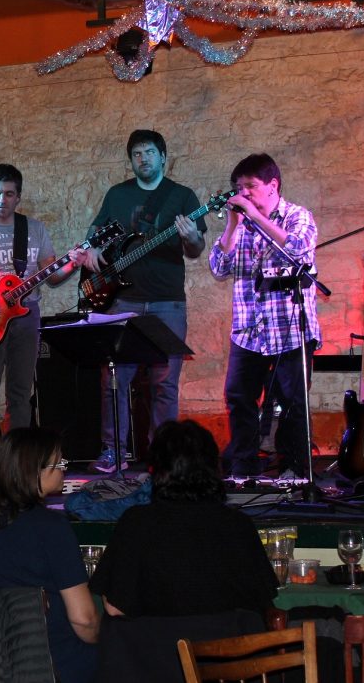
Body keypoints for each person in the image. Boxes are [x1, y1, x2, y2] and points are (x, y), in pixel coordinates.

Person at [0, 163, 90, 454]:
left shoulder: (34, 229)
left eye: (9, 194)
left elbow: (53, 276)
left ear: (18, 197)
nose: (2, 200)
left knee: (21, 394)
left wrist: (73, 263)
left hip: (26, 316)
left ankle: (16, 462)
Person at [84, 130, 207, 473]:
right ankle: (114, 451)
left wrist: (192, 237)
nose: (143, 159)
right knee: (114, 380)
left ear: (163, 156)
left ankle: (164, 456)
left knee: (164, 382)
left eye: (150, 152)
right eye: (137, 154)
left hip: (168, 302)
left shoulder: (182, 196)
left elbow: (195, 250)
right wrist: (91, 248)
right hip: (122, 300)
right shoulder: (118, 195)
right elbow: (95, 234)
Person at [90, 419, 277, 617]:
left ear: (156, 470)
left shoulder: (136, 522)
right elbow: (263, 601)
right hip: (229, 637)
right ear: (215, 467)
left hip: (158, 637)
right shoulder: (239, 525)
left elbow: (115, 608)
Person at [209, 153, 321, 478]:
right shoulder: (241, 225)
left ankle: (296, 470)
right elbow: (218, 267)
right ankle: (242, 469)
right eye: (238, 188)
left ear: (273, 185)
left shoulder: (297, 216)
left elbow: (299, 247)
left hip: (290, 330)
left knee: (293, 402)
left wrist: (256, 217)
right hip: (248, 332)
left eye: (250, 186)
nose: (243, 193)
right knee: (239, 397)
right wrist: (233, 224)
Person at [0, 427, 99, 683]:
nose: (63, 469)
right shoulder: (52, 528)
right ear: (33, 470)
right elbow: (84, 620)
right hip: (53, 660)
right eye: (58, 463)